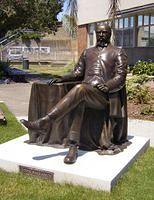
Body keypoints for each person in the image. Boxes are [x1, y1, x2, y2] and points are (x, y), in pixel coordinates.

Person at [21, 24, 128, 164]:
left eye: (104, 32)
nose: (101, 35)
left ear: (110, 33)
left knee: (80, 89)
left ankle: (46, 122)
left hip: (104, 96)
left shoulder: (117, 52)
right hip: (86, 91)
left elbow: (120, 76)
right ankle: (72, 146)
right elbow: (78, 72)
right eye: (99, 32)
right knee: (80, 98)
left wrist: (107, 86)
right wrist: (63, 78)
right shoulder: (87, 52)